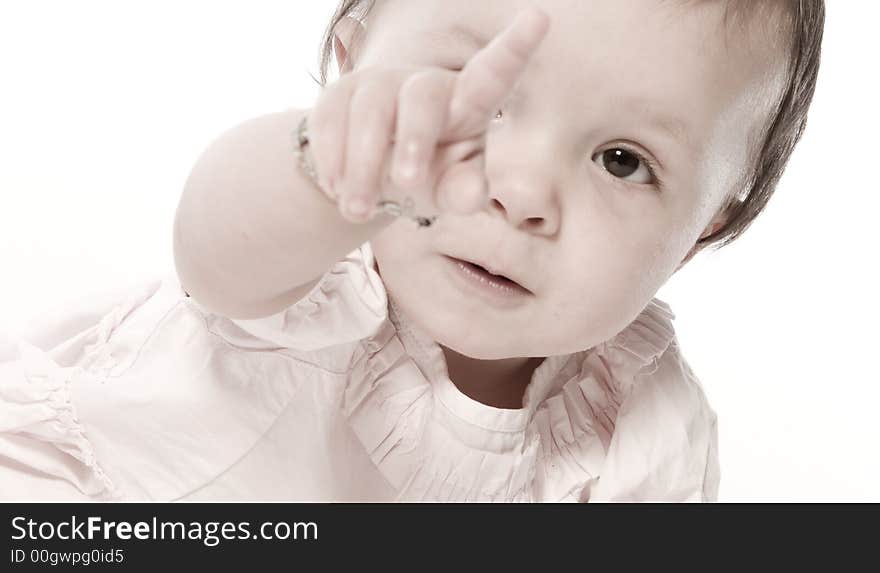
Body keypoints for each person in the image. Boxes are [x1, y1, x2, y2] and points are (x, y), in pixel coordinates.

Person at [0, 0, 824, 502]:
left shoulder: (649, 433)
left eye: (623, 160)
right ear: (351, 68)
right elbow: (211, 256)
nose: (522, 193)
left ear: (703, 230)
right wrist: (326, 172)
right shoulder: (317, 254)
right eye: (481, 101)